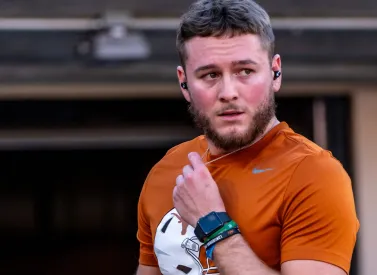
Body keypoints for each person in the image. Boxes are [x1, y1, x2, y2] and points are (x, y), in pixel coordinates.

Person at [135, 0, 360, 274]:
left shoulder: (313, 174)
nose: (228, 91)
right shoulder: (166, 172)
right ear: (184, 83)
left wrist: (214, 225)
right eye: (210, 75)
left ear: (275, 72)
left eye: (245, 71)